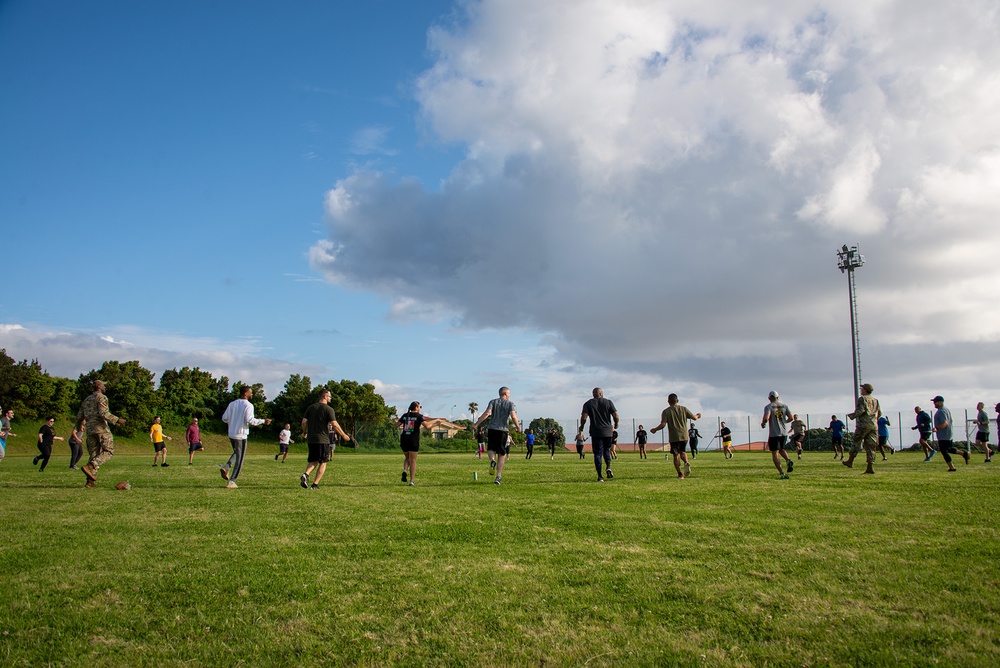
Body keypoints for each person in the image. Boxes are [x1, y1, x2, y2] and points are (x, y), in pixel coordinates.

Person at [220, 384, 271, 489]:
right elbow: (250, 420)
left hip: (231, 434)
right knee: (240, 458)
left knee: (236, 452)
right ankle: (232, 481)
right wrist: (263, 421)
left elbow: (224, 418)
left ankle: (227, 466)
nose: (251, 393)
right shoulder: (248, 405)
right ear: (245, 393)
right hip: (241, 435)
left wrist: (233, 422)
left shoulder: (232, 404)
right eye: (250, 392)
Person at [77, 380, 125, 488]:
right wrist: (117, 420)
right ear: (99, 386)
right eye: (103, 385)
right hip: (101, 428)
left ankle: (90, 482)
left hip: (90, 430)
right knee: (109, 451)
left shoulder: (87, 400)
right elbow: (103, 413)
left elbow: (80, 415)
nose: (105, 387)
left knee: (94, 454)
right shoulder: (101, 397)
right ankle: (91, 466)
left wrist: (79, 425)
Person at [300, 388, 350, 490]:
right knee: (323, 462)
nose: (330, 398)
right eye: (329, 396)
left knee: (313, 460)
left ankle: (306, 474)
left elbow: (304, 422)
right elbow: (334, 424)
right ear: (324, 396)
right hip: (322, 439)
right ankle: (315, 485)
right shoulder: (328, 409)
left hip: (311, 439)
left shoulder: (310, 408)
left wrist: (304, 432)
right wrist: (344, 435)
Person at [473, 386, 521, 485]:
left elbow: (487, 413)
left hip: (492, 429)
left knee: (491, 448)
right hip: (503, 430)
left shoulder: (493, 402)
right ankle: (498, 476)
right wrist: (518, 427)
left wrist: (476, 424)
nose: (509, 395)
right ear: (505, 394)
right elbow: (513, 416)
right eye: (509, 393)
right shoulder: (510, 404)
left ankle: (492, 460)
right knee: (502, 453)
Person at [650, 393, 700, 479]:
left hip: (674, 436)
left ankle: (680, 474)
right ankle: (686, 462)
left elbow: (663, 424)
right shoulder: (683, 409)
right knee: (683, 452)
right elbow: (694, 418)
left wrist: (655, 429)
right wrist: (698, 415)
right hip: (684, 435)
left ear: (668, 401)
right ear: (677, 401)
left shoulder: (666, 411)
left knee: (676, 455)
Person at [397, 401, 442, 485]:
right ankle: (412, 481)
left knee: (407, 458)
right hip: (413, 440)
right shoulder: (419, 416)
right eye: (420, 407)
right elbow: (427, 426)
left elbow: (396, 425)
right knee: (413, 461)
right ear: (416, 408)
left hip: (404, 439)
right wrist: (436, 424)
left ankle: (405, 470)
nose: (420, 408)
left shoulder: (405, 415)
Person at [579, 387, 619, 482]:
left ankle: (600, 476)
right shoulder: (608, 402)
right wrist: (616, 424)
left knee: (597, 453)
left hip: (596, 431)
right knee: (606, 450)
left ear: (593, 394)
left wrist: (581, 427)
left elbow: (584, 417)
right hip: (608, 431)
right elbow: (615, 415)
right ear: (601, 393)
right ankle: (608, 467)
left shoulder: (588, 403)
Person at [845, 383, 881, 474]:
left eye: (862, 388)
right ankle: (870, 466)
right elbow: (879, 413)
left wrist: (852, 416)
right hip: (873, 425)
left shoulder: (862, 399)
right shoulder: (875, 400)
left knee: (857, 441)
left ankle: (850, 461)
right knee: (871, 446)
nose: (861, 390)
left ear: (865, 390)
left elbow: (861, 410)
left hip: (863, 425)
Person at [761, 390, 794, 479]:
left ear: (769, 398)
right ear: (778, 397)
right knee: (781, 449)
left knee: (775, 453)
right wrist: (783, 422)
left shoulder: (768, 407)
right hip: (784, 433)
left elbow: (766, 417)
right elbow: (791, 417)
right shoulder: (784, 406)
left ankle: (781, 473)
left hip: (774, 434)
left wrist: (763, 423)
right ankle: (788, 460)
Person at [931, 395, 969, 472]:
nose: (934, 404)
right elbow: (951, 420)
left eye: (936, 402)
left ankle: (952, 467)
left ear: (941, 402)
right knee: (949, 449)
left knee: (944, 451)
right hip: (948, 434)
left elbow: (945, 423)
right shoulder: (946, 409)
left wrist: (937, 428)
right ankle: (964, 454)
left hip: (944, 435)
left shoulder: (941, 411)